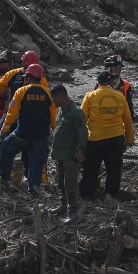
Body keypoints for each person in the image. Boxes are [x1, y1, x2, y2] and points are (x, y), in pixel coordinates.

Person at [0, 64, 54, 197]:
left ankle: (5, 178)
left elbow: (11, 114)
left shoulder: (21, 91)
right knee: (36, 161)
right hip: (41, 134)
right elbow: (53, 114)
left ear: (28, 77)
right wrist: (53, 129)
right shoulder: (47, 92)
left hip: (23, 133)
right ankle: (33, 189)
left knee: (6, 148)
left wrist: (3, 130)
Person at [0, 52, 46, 179]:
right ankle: (0, 171)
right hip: (11, 112)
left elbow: (48, 100)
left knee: (27, 145)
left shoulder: (41, 79)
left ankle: (26, 173)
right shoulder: (13, 74)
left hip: (27, 116)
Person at [79, 71, 135, 200]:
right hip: (116, 138)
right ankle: (112, 195)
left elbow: (81, 118)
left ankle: (87, 194)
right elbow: (127, 119)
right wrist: (130, 138)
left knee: (91, 167)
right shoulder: (120, 96)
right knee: (114, 168)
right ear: (110, 82)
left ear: (98, 82)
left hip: (95, 138)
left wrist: (80, 140)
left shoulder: (90, 96)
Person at [50, 84, 87, 224]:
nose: (52, 101)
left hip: (71, 155)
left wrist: (79, 150)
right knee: (60, 182)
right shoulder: (61, 110)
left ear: (61, 96)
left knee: (70, 184)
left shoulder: (75, 112)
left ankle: (73, 211)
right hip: (60, 154)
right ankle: (63, 205)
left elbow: (82, 133)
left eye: (54, 98)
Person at [102, 55, 136, 120]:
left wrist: (130, 120)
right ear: (109, 69)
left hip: (119, 121)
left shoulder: (125, 84)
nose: (118, 70)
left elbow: (129, 105)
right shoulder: (100, 84)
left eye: (120, 67)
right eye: (116, 67)